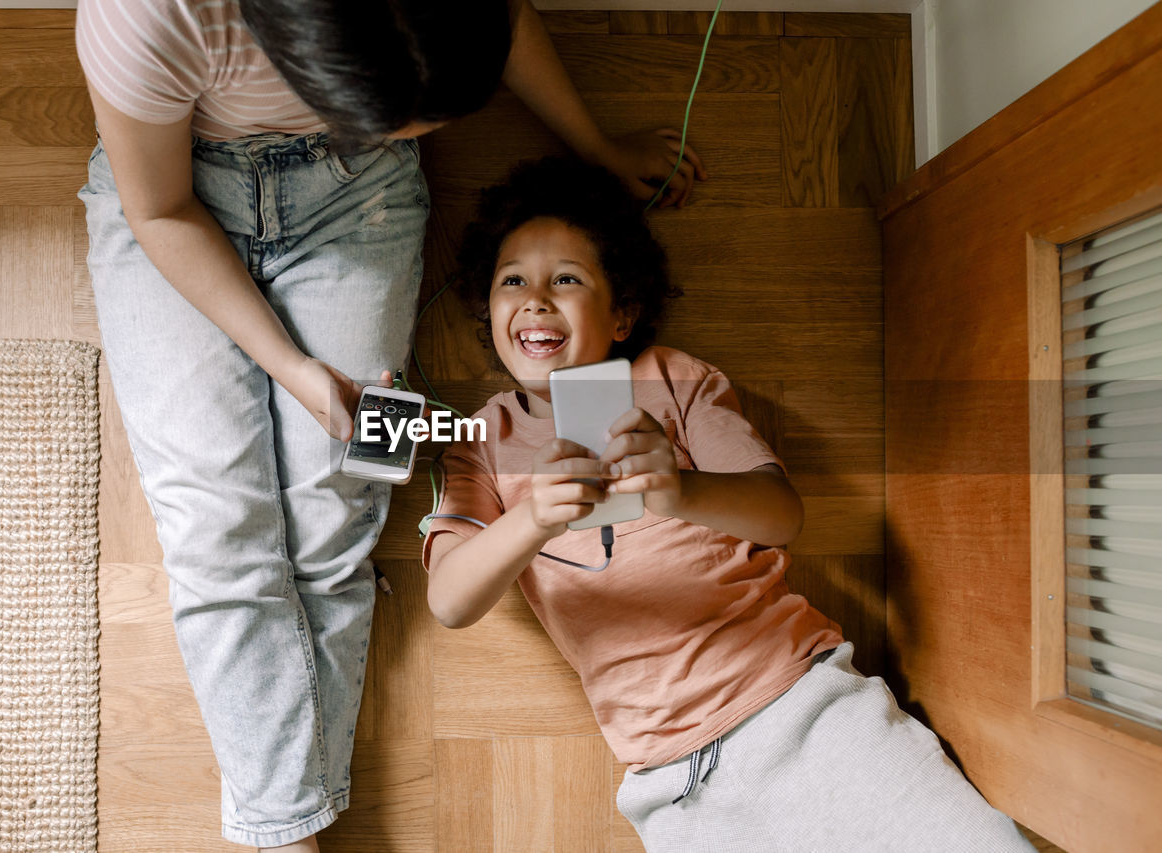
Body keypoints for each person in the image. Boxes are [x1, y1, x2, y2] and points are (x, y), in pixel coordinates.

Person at [74, 0, 705, 849]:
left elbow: (500, 16)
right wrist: (293, 371)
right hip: (174, 198)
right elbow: (160, 211)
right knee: (219, 532)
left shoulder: (654, 390)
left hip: (355, 198)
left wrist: (595, 146)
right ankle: (287, 831)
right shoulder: (147, 16)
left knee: (332, 522)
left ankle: (285, 822)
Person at [423, 157, 1038, 853]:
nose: (536, 299)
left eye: (566, 277)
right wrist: (531, 518)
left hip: (801, 707)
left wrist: (679, 490)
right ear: (488, 308)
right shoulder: (479, 440)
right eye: (514, 280)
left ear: (622, 312)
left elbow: (782, 516)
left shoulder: (673, 378)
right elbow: (449, 599)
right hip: (672, 779)